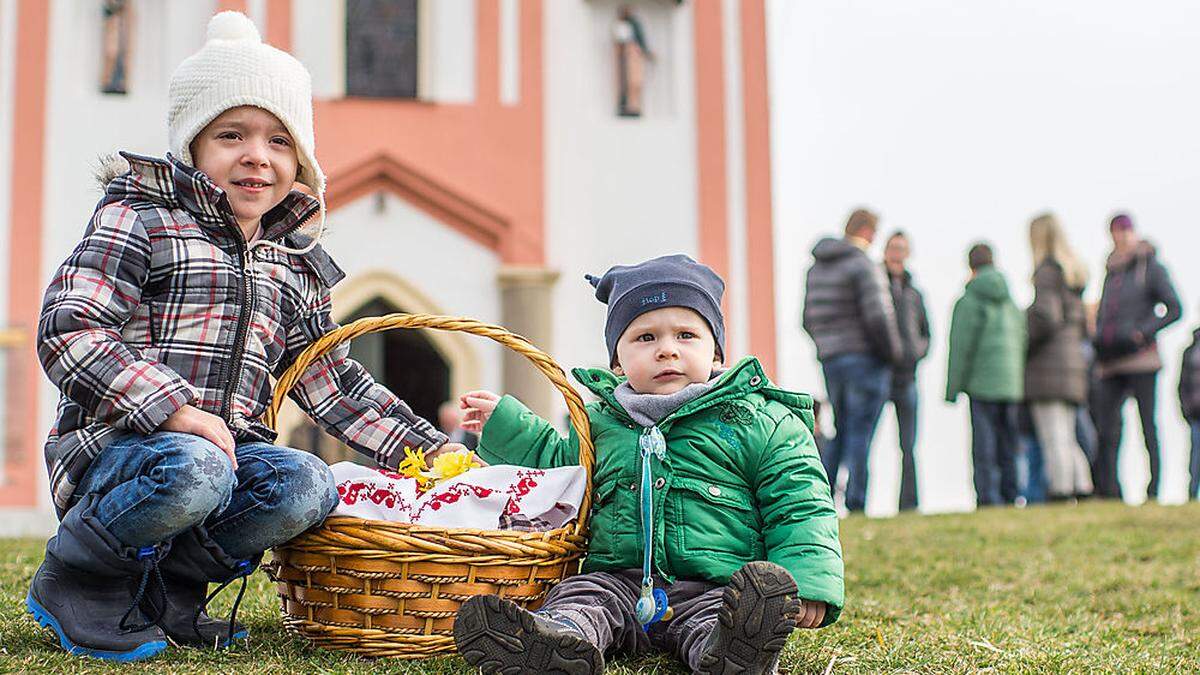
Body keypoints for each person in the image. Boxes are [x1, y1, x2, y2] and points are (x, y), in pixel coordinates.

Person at [26, 13, 467, 661]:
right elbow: (70, 328)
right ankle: (82, 576)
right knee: (195, 464)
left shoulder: (293, 263)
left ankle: (172, 589)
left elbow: (337, 384)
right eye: (231, 133)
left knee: (307, 483)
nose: (257, 155)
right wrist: (175, 410)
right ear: (193, 147)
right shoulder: (140, 220)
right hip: (123, 458)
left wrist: (435, 453)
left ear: (301, 161)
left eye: (280, 140)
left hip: (219, 468)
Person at [447, 255, 842, 675]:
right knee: (582, 598)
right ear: (617, 362)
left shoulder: (756, 420)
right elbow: (558, 466)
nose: (667, 349)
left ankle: (734, 651)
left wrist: (807, 580)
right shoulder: (600, 423)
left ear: (715, 353)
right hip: (618, 580)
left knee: (717, 621)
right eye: (645, 337)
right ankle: (557, 642)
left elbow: (799, 501)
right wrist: (507, 425)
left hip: (715, 584)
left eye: (687, 335)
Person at [803, 208, 902, 513]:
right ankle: (857, 501)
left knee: (840, 429)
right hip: (864, 360)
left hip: (831, 360)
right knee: (861, 433)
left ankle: (825, 498)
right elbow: (879, 316)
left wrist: (826, 346)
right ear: (869, 232)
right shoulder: (862, 265)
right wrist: (892, 354)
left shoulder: (816, 270)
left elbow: (807, 319)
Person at [1091, 213, 1181, 501]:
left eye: (1125, 231)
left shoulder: (1150, 267)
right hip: (1111, 361)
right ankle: (1109, 490)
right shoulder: (1111, 271)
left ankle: (1154, 490)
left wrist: (1143, 332)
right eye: (1116, 231)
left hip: (1142, 360)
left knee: (1148, 425)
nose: (1121, 236)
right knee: (1108, 427)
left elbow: (1175, 308)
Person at [945, 243, 1025, 507]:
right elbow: (1023, 339)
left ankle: (989, 498)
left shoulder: (969, 300)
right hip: (1011, 384)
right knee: (1009, 444)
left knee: (985, 445)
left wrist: (952, 388)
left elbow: (961, 346)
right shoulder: (1011, 302)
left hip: (982, 385)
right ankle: (1012, 494)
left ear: (971, 266)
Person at [1024, 213, 1093, 501]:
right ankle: (1082, 487)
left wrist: (1024, 330)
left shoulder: (1047, 272)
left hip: (1049, 367)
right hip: (1072, 364)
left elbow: (1045, 317)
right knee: (1067, 435)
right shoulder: (1072, 277)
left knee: (1053, 436)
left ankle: (1062, 491)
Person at [882, 231, 930, 511]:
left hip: (907, 378)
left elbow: (927, 334)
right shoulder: (876, 285)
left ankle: (909, 504)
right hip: (880, 373)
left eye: (901, 248)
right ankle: (856, 501)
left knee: (908, 446)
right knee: (865, 440)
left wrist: (915, 353)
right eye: (892, 248)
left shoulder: (915, 293)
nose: (896, 253)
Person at [1178, 324, 1200, 500]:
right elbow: (1182, 383)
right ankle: (1192, 495)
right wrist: (1186, 408)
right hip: (1196, 412)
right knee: (1195, 457)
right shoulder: (1191, 349)